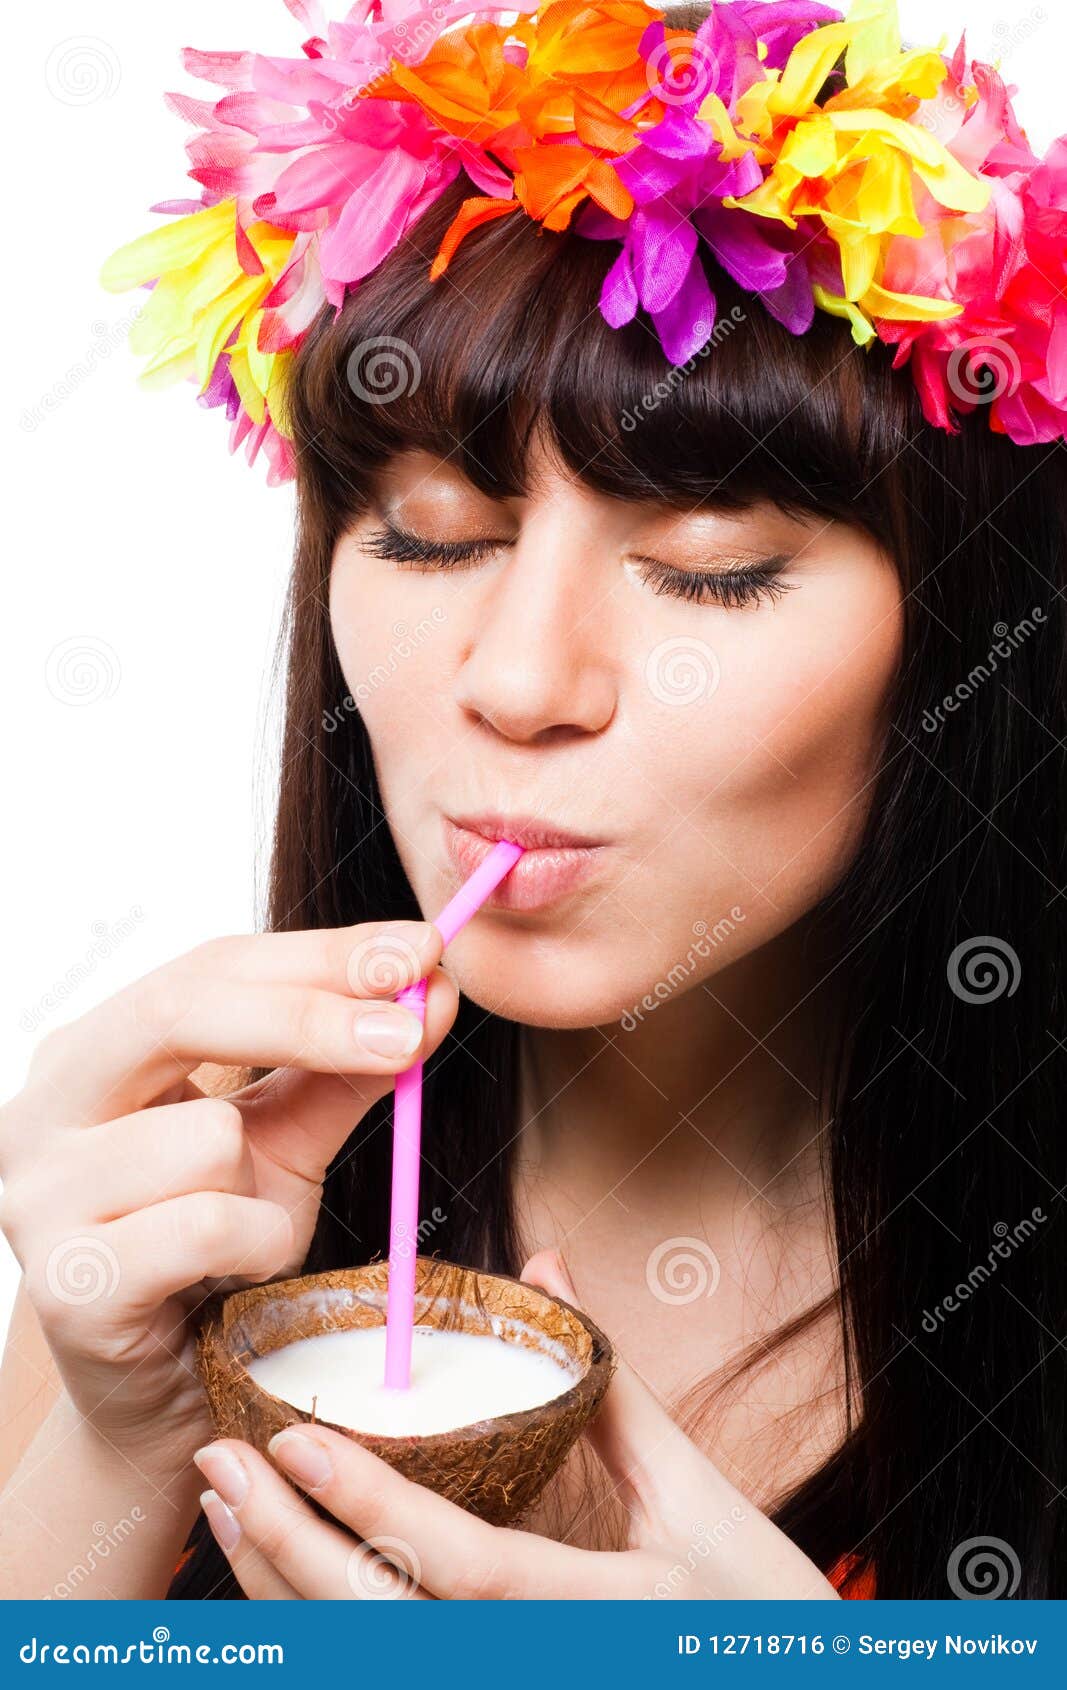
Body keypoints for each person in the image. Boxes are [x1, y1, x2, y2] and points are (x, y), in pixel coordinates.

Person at [1, 0, 1064, 1601]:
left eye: (711, 567)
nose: (517, 678)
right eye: (432, 534)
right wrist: (126, 1439)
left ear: (960, 628)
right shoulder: (186, 1197)